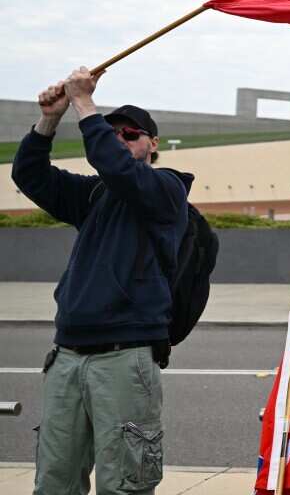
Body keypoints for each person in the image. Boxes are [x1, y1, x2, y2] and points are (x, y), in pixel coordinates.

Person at [12, 67, 192, 495]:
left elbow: (117, 167)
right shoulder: (95, 195)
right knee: (54, 481)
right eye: (112, 134)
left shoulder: (166, 189)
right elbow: (30, 175)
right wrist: (50, 119)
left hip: (125, 357)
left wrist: (86, 106)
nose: (119, 140)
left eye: (130, 134)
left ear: (153, 144)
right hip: (68, 354)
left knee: (124, 484)